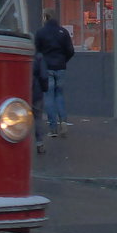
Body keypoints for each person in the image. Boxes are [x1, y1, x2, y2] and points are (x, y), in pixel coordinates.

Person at [35, 8, 75, 137]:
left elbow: (37, 51)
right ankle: (63, 121)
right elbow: (70, 51)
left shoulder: (40, 32)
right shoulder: (63, 32)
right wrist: (63, 60)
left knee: (48, 96)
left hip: (47, 68)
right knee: (59, 95)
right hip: (60, 67)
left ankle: (53, 127)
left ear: (45, 17)